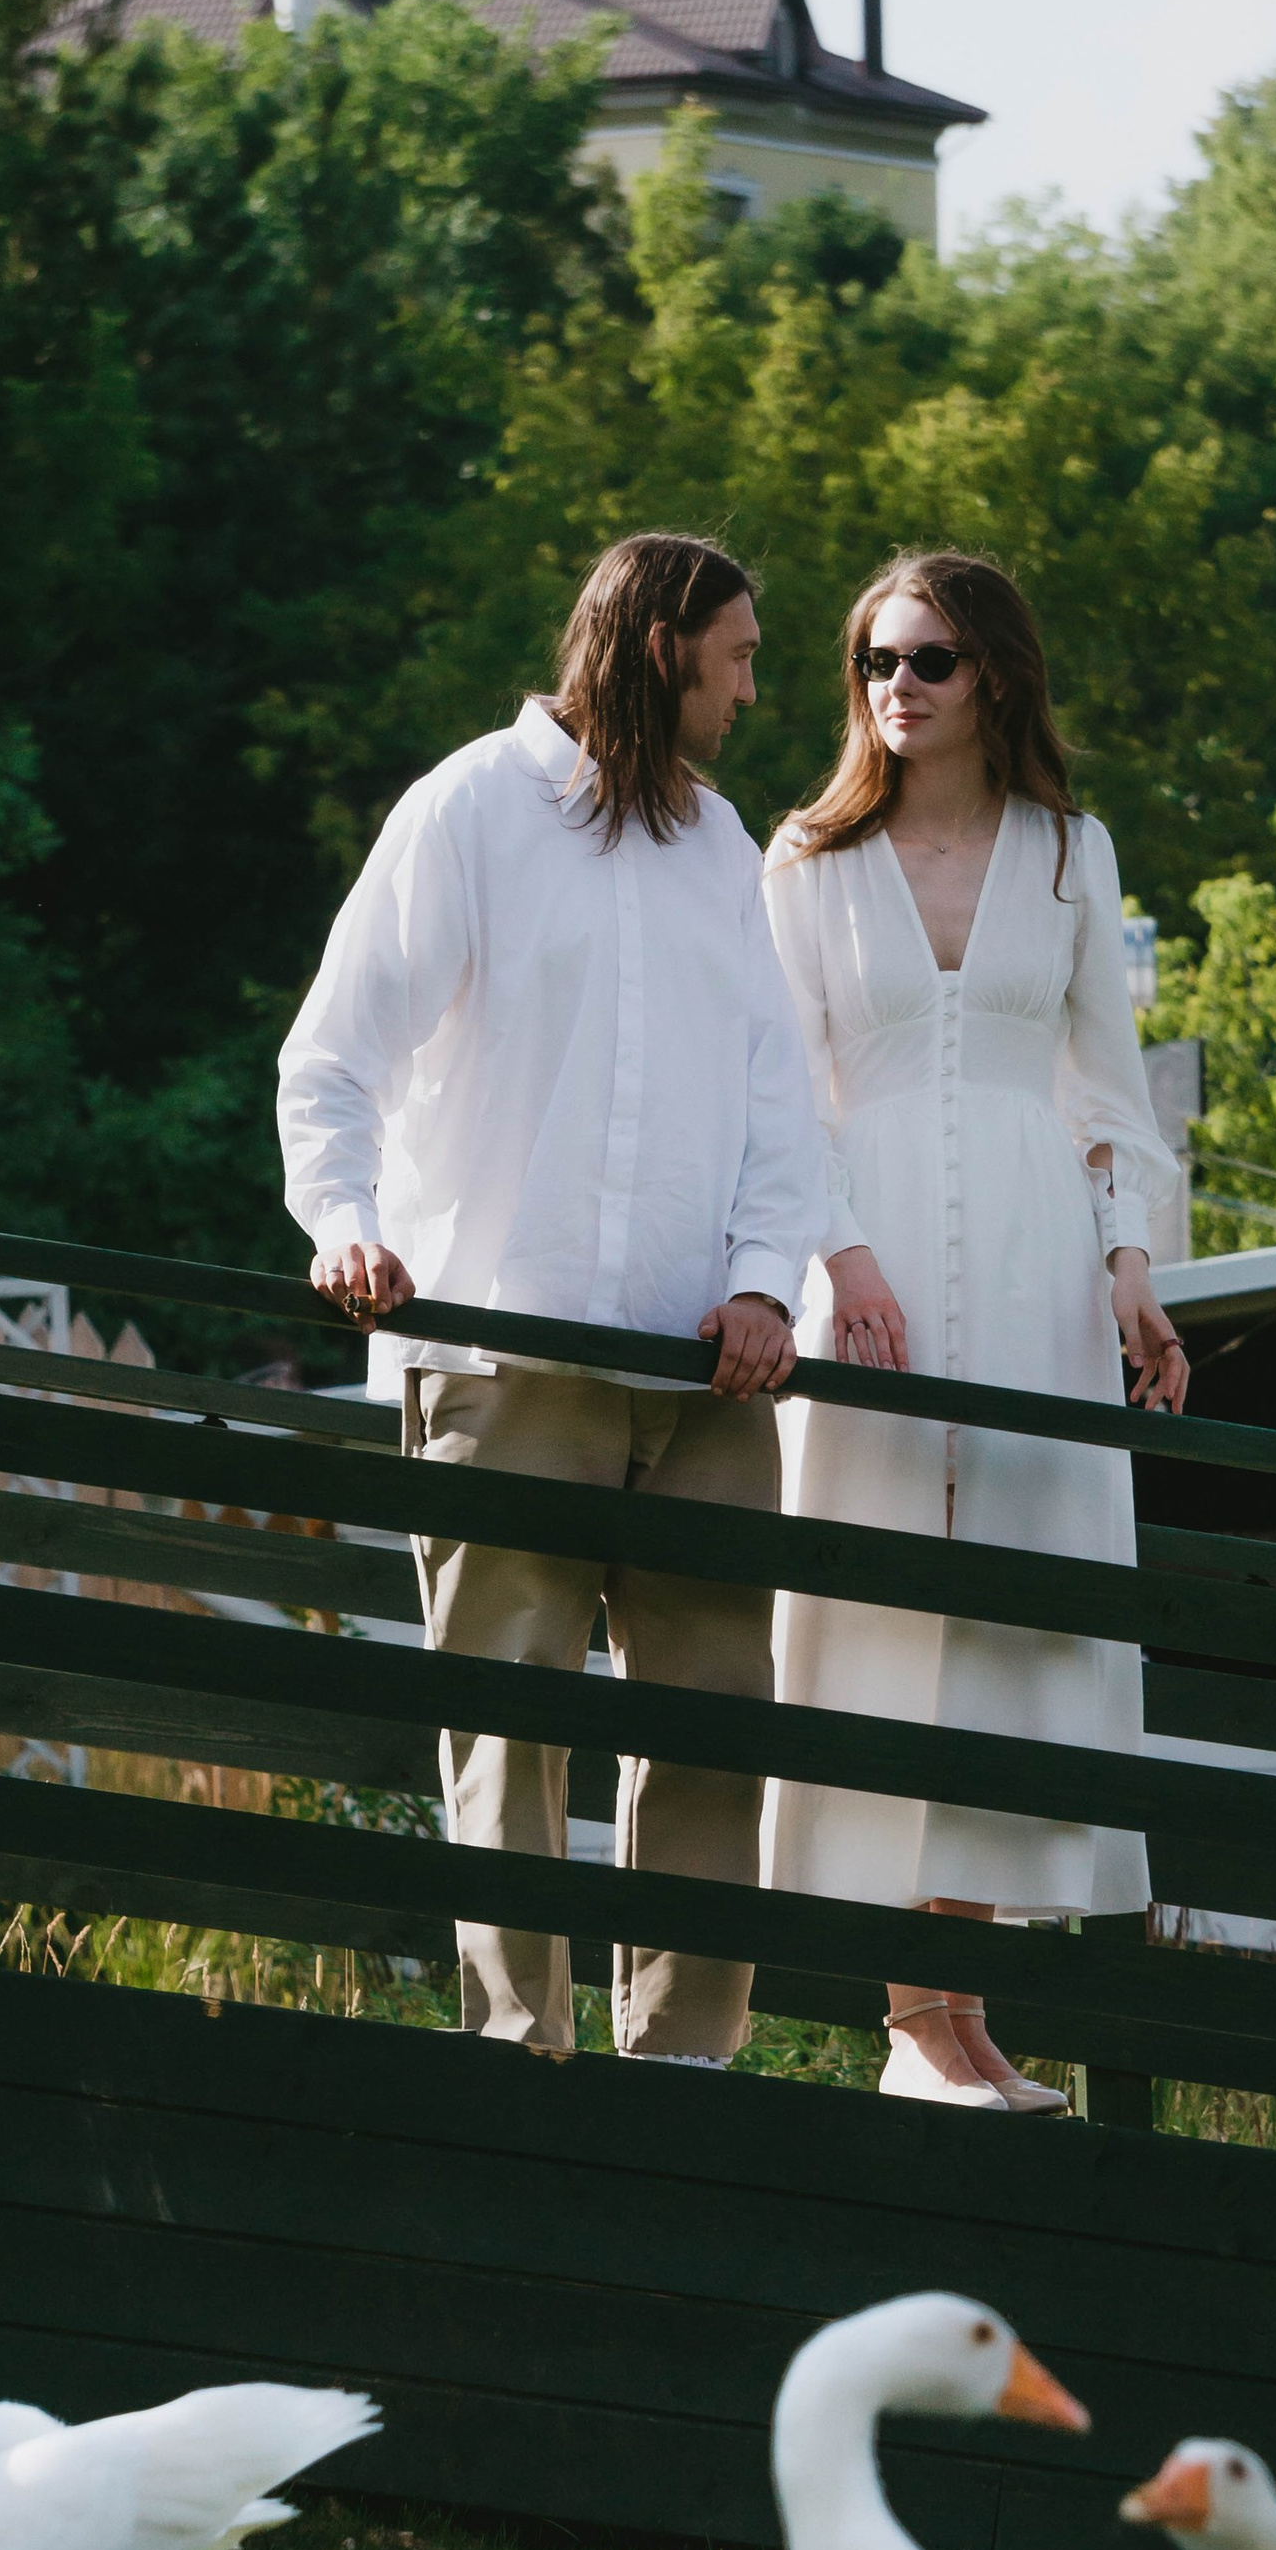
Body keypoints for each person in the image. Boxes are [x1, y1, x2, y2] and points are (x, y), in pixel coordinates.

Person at [277, 532, 827, 2068]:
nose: (753, 691)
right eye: (738, 658)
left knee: (718, 1726)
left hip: (710, 1381)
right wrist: (346, 1224)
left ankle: (686, 2069)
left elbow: (780, 1110)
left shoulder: (726, 848)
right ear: (661, 652)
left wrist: (765, 1286)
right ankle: (522, 2061)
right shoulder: (467, 810)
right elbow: (334, 1058)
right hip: (506, 1356)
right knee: (507, 1729)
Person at [759, 548, 1189, 2110]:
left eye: (927, 658)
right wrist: (843, 1257)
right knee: (880, 1613)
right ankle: (910, 2018)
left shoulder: (1075, 854)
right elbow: (781, 1096)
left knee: (1010, 1606)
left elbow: (1109, 1098)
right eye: (874, 661)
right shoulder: (803, 860)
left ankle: (958, 2006)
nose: (896, 688)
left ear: (993, 671)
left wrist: (1134, 1267)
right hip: (857, 1265)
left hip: (1032, 1261)